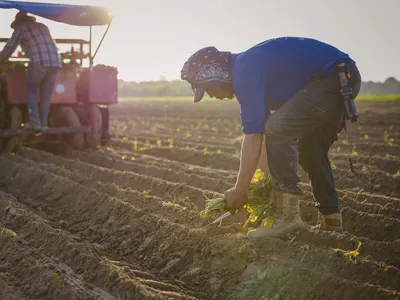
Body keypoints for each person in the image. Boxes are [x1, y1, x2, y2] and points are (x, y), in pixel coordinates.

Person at [180, 37, 361, 238]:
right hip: (344, 76)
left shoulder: (244, 70)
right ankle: (331, 221)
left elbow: (255, 136)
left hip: (334, 77)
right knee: (310, 151)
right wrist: (262, 182)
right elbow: (265, 140)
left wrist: (240, 190)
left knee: (279, 128)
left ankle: (287, 217)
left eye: (207, 89)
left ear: (215, 75)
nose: (211, 95)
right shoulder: (248, 67)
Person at [0, 12, 62, 131]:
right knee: (46, 94)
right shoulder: (43, 26)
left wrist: (1, 58)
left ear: (18, 21)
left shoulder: (20, 28)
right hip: (55, 62)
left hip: (39, 61)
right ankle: (43, 124)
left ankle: (34, 122)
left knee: (30, 89)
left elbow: (10, 47)